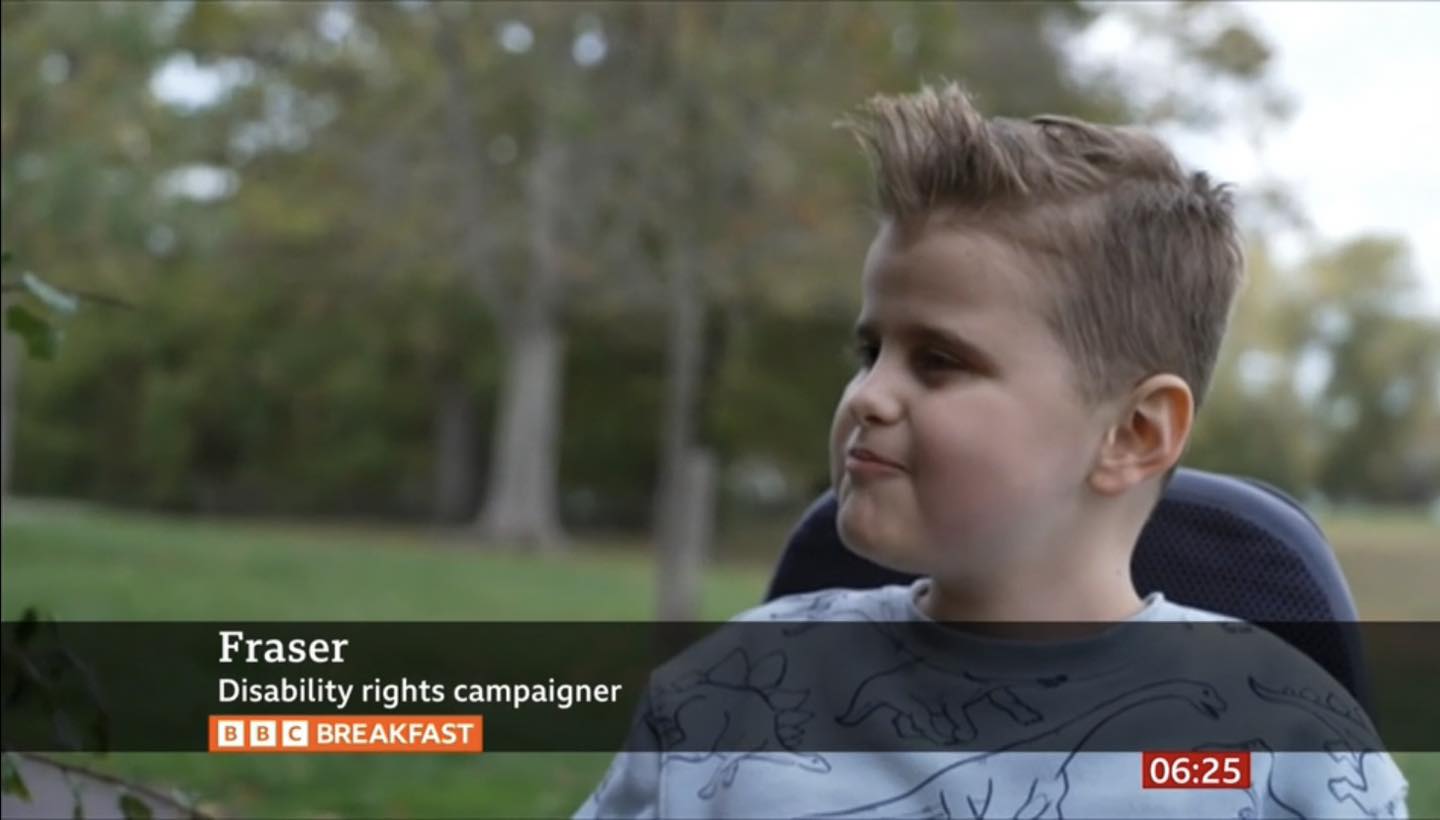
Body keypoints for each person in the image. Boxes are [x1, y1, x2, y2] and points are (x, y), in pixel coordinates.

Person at [575, 83, 1409, 819]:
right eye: (870, 352)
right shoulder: (732, 694)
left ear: (1133, 434)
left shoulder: (1287, 751)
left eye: (939, 360)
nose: (867, 395)